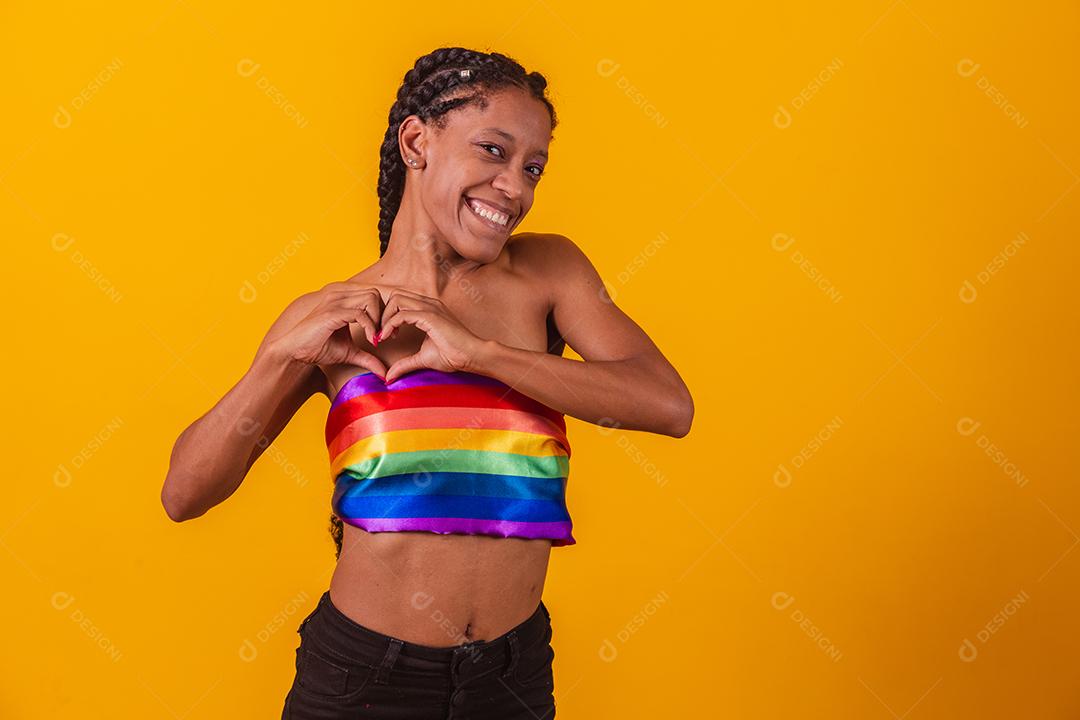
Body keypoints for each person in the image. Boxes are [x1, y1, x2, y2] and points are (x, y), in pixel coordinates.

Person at [162, 46, 693, 719]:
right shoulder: (334, 316)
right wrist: (279, 362)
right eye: (493, 151)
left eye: (533, 168)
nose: (516, 188)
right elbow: (184, 494)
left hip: (511, 674)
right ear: (417, 141)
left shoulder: (548, 273)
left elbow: (667, 404)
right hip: (363, 678)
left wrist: (481, 354)